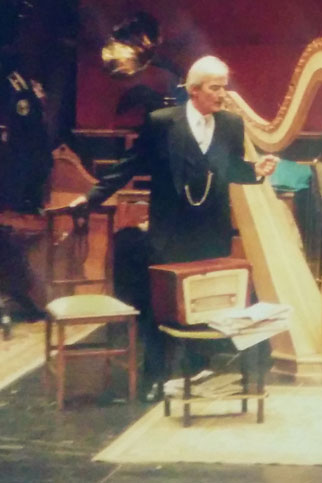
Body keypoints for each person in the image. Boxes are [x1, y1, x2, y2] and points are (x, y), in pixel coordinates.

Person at [72, 55, 278, 401]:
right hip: (170, 232)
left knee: (206, 302)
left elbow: (229, 169)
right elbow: (128, 165)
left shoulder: (230, 125)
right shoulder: (162, 122)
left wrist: (256, 171)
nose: (222, 95)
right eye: (215, 88)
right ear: (194, 90)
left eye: (224, 87)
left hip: (211, 230)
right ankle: (155, 376)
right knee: (161, 307)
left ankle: (198, 371)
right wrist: (91, 197)